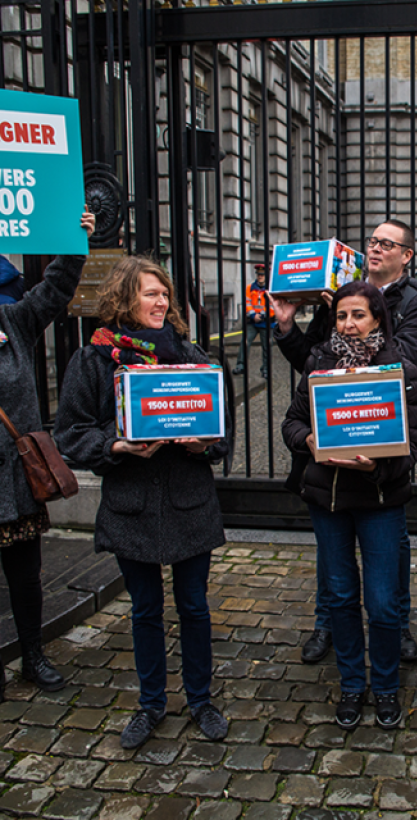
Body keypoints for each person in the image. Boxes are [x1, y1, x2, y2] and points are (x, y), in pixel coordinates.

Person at [54, 255, 230, 749]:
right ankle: (152, 702)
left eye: (164, 293)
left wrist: (204, 445)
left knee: (193, 607)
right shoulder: (95, 359)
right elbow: (70, 433)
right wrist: (116, 444)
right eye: (150, 293)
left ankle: (201, 700)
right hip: (131, 505)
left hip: (189, 503)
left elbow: (222, 438)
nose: (162, 302)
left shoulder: (191, 356)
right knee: (145, 610)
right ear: (125, 297)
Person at [272, 220, 417, 665]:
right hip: (330, 456)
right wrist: (292, 328)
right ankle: (328, 621)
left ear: (406, 254)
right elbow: (308, 365)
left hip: (378, 453)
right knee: (334, 558)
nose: (376, 248)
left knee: (389, 558)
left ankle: (396, 625)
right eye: (373, 242)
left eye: (386, 243)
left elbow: (404, 363)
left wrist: (346, 371)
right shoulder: (339, 295)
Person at [282, 281, 417, 730]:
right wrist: (307, 439)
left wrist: (375, 468)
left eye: (358, 315)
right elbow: (291, 420)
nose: (349, 324)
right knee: (341, 597)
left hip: (380, 499)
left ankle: (384, 686)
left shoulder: (400, 369)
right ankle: (351, 684)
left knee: (382, 604)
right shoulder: (320, 364)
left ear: (377, 318)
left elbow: (411, 449)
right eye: (342, 316)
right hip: (329, 501)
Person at [0, 210, 95, 697]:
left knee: (25, 576)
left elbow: (55, 288)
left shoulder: (12, 321)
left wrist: (74, 239)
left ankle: (33, 656)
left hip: (16, 479)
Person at [233, 263, 276, 379]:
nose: (260, 276)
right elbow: (247, 303)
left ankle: (266, 369)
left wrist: (261, 316)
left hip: (266, 322)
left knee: (267, 347)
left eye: (262, 274)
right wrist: (253, 315)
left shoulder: (271, 289)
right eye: (258, 274)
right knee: (245, 342)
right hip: (252, 322)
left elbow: (273, 306)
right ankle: (241, 365)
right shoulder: (249, 288)